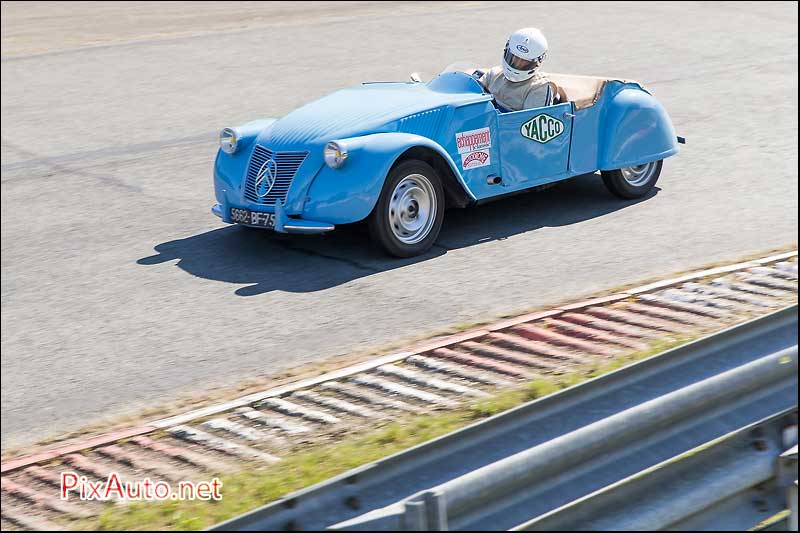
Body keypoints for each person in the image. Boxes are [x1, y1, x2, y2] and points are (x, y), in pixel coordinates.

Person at [479, 28, 556, 112]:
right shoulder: (493, 74)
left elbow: (531, 121)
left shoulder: (539, 87)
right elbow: (471, 96)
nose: (518, 64)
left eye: (525, 61)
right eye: (515, 58)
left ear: (538, 62)